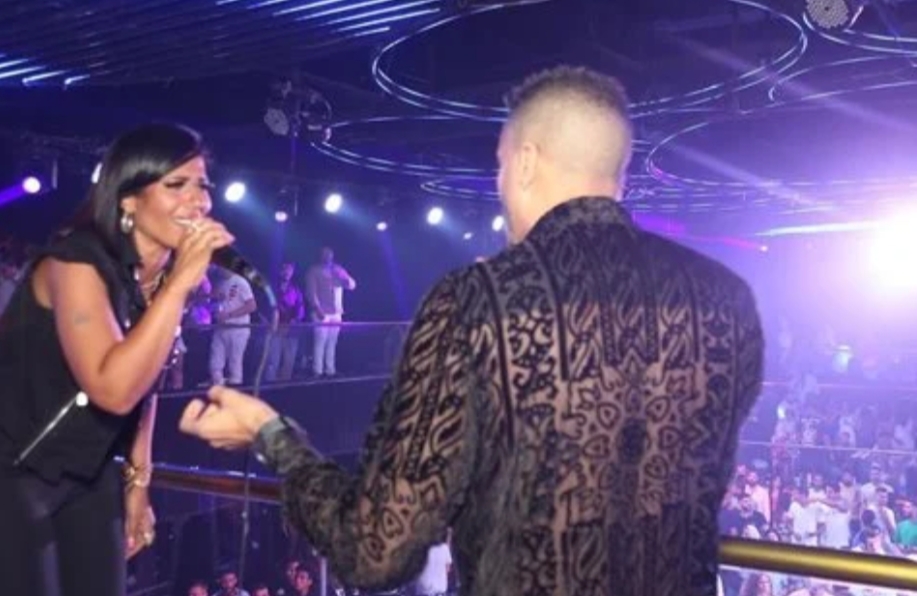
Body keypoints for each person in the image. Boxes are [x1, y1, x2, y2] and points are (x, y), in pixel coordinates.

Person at [180, 66, 764, 596]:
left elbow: (377, 549)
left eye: (500, 165)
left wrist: (271, 434)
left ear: (526, 162)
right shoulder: (727, 299)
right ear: (619, 174)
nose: (500, 182)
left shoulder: (477, 301)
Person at [0, 123, 233, 596]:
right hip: (15, 468)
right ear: (128, 199)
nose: (199, 201)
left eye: (203, 185)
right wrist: (179, 287)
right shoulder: (75, 261)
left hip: (90, 469)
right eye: (177, 185)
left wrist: (138, 481)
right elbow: (113, 388)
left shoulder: (155, 279)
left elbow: (145, 381)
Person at [305, 247, 356, 377]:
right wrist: (317, 309)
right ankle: (318, 371)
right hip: (321, 312)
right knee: (320, 342)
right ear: (320, 256)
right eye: (325, 254)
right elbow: (311, 292)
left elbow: (352, 285)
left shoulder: (338, 270)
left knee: (332, 342)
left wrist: (344, 277)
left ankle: (330, 370)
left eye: (330, 254)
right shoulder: (314, 270)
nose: (328, 257)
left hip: (336, 312)